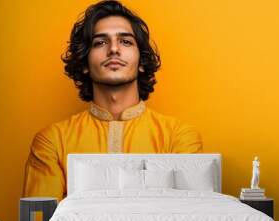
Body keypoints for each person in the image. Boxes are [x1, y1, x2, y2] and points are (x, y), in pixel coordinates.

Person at [23, 0, 203, 200]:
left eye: (126, 41)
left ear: (141, 62)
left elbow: (188, 220)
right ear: (84, 63)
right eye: (100, 42)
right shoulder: (52, 142)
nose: (114, 49)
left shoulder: (178, 138)